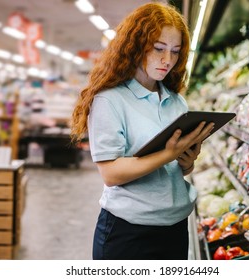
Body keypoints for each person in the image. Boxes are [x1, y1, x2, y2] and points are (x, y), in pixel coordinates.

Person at [71, 2, 214, 260]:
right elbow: (111, 173)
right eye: (159, 48)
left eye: (175, 51)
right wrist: (169, 154)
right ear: (136, 45)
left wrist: (187, 161)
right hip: (129, 233)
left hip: (175, 227)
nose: (167, 60)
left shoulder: (177, 102)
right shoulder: (110, 100)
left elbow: (177, 171)